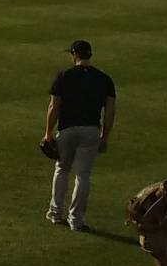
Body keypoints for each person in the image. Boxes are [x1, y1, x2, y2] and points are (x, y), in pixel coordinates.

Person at [43, 40, 116, 232]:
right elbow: (109, 112)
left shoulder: (64, 76)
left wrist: (47, 133)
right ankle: (76, 220)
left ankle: (56, 212)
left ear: (74, 54)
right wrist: (105, 137)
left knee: (61, 169)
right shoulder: (104, 79)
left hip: (67, 130)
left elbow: (54, 106)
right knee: (83, 175)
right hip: (91, 131)